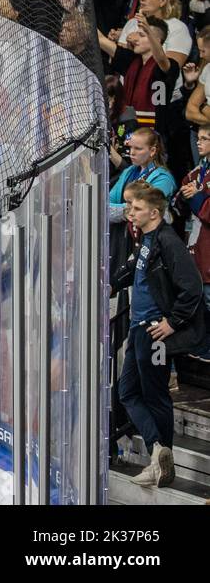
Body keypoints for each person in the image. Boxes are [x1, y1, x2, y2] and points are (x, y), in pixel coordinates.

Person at [114, 180, 207, 487]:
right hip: (138, 327)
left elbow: (192, 287)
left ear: (154, 213)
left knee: (155, 395)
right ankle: (158, 450)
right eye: (130, 207)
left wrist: (172, 322)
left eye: (137, 208)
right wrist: (110, 284)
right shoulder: (146, 239)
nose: (131, 213)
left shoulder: (168, 241)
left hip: (155, 332)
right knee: (127, 391)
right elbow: (135, 271)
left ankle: (162, 463)